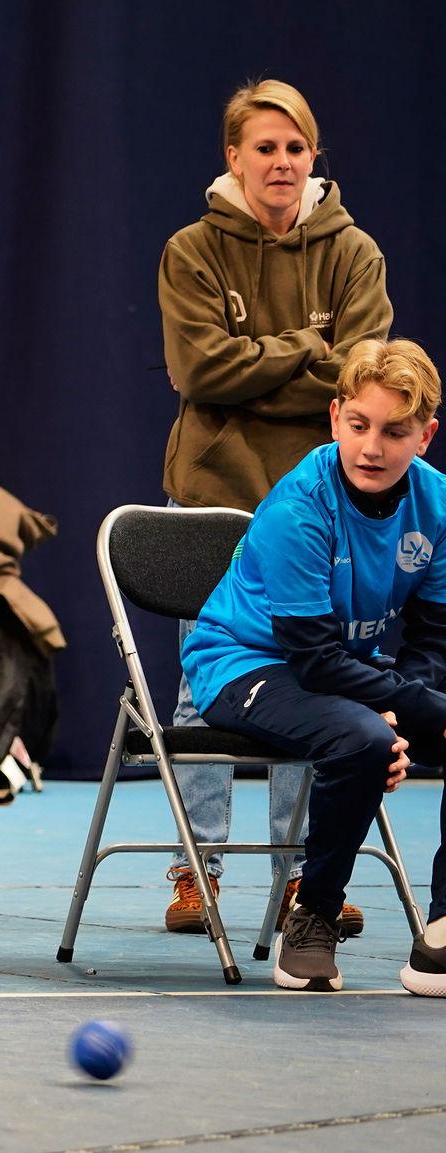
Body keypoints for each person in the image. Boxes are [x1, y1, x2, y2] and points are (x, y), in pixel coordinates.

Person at [157, 79, 390, 936]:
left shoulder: (354, 251)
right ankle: (198, 870)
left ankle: (303, 876)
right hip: (211, 494)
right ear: (234, 158)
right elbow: (200, 373)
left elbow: (365, 381)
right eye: (265, 148)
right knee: (200, 683)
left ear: (312, 157)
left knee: (314, 678)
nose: (282, 163)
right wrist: (306, 350)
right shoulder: (192, 250)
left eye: (296, 148)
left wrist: (265, 366)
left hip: (320, 505)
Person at [181, 338, 446, 994]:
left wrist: (408, 703)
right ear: (335, 419)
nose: (372, 448)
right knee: (363, 738)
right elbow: (314, 659)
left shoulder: (436, 505)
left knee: (390, 721)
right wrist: (395, 709)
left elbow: (434, 641)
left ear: (426, 435)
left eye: (394, 431)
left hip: (345, 667)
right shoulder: (299, 505)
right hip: (243, 664)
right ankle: (314, 915)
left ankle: (441, 931)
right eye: (358, 426)